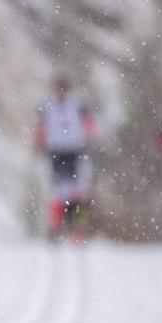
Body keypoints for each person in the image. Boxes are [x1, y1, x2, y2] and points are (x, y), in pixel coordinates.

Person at [35, 76, 96, 238]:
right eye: (59, 89)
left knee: (78, 191)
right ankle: (56, 227)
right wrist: (40, 144)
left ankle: (79, 228)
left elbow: (90, 126)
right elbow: (40, 128)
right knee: (57, 191)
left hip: (75, 151)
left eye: (64, 89)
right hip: (56, 151)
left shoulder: (78, 105)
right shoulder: (48, 106)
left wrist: (88, 139)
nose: (62, 92)